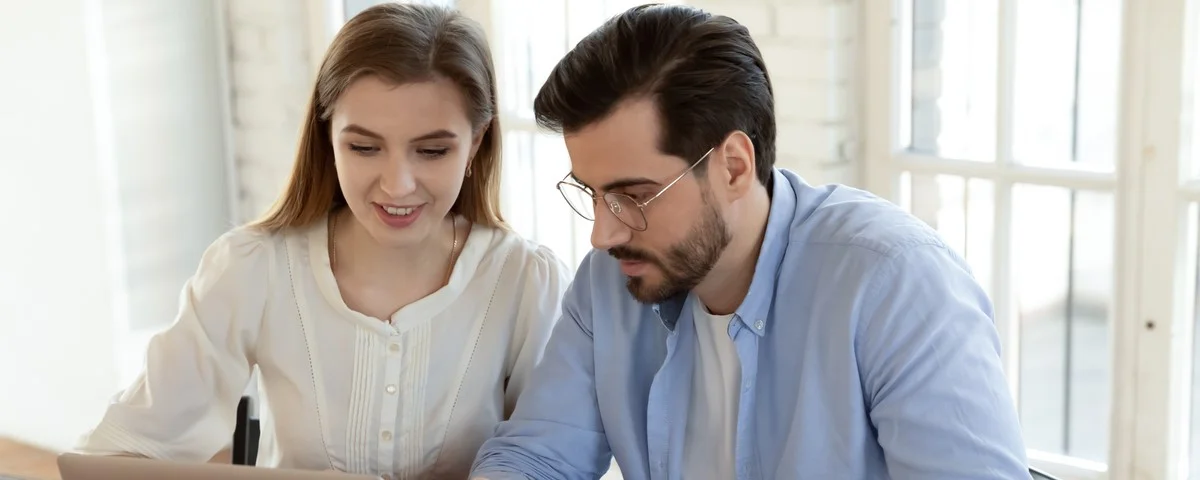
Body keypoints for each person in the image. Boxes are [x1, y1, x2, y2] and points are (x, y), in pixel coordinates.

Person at [470, 4, 1030, 479]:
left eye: (633, 195)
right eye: (591, 193)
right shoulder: (610, 282)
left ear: (734, 167)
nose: (603, 233)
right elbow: (535, 458)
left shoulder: (895, 283)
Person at [74, 3, 570, 478]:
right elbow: (120, 451)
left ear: (477, 141)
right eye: (364, 147)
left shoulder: (525, 281)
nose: (397, 184)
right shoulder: (253, 267)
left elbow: (554, 458)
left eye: (432, 150)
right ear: (327, 134)